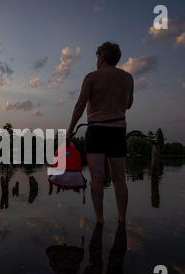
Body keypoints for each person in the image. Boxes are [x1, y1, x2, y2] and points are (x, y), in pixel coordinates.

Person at [66, 42, 134, 224]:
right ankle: (121, 219)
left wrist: (70, 131)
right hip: (118, 131)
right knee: (119, 178)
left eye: (97, 57)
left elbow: (80, 105)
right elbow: (129, 104)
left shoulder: (91, 77)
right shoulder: (128, 78)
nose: (96, 60)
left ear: (102, 57)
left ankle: (100, 220)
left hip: (96, 130)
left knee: (97, 178)